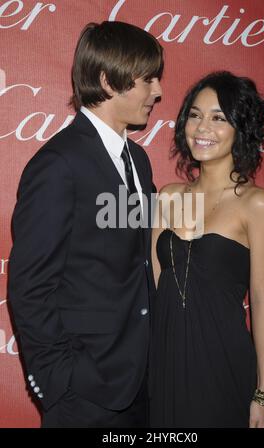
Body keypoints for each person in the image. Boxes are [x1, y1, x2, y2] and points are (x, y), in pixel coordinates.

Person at [8, 21, 163, 428]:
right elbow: (30, 287)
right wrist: (62, 379)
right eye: (148, 79)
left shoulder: (139, 160)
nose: (158, 91)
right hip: (86, 394)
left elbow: (141, 259)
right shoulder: (59, 165)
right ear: (107, 80)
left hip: (142, 386)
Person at [149, 71, 264, 428]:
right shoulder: (167, 197)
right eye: (195, 115)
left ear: (242, 129)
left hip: (222, 363)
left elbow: (262, 303)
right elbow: (157, 282)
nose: (201, 128)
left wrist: (263, 394)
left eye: (218, 118)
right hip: (164, 363)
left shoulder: (256, 205)